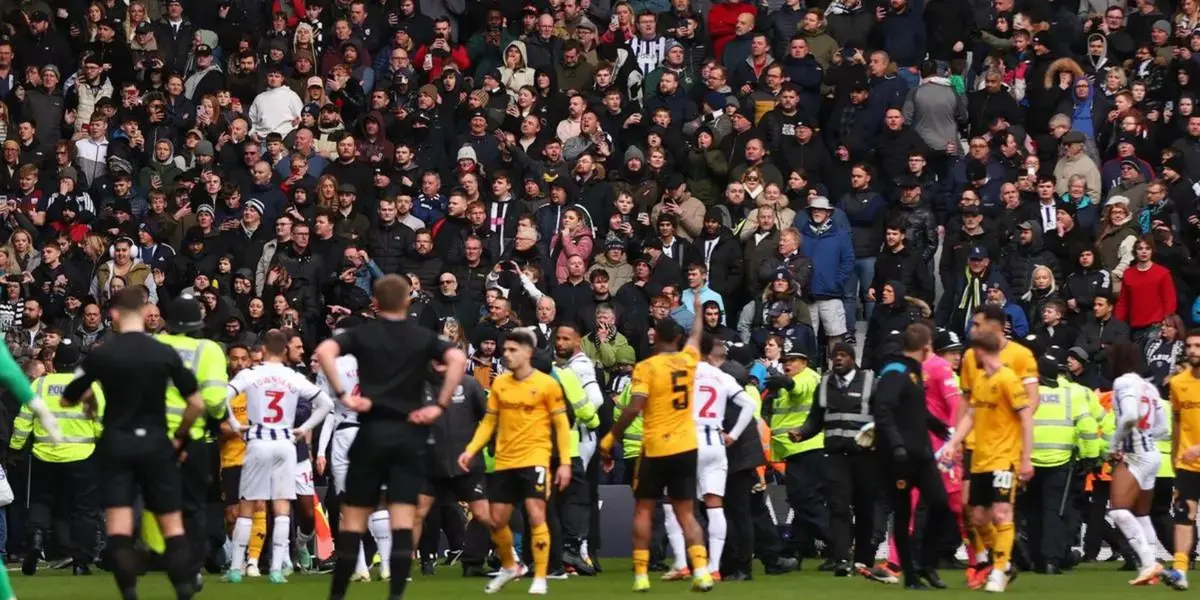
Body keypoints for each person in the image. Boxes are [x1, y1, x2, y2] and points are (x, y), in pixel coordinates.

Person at [315, 274, 468, 600]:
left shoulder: (364, 333)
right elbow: (458, 358)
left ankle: (337, 595)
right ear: (407, 301)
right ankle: (395, 595)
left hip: (371, 432)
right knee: (401, 520)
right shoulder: (421, 336)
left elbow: (325, 350)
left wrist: (343, 394)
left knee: (353, 519)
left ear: (375, 302)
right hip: (408, 435)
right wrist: (440, 404)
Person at [61, 287, 206, 600]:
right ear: (143, 313)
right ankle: (183, 592)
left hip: (117, 444)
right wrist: (180, 436)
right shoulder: (163, 351)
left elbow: (67, 397)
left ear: (113, 315)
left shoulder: (102, 354)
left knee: (119, 527)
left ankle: (129, 594)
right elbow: (196, 403)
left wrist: (88, 397)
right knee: (172, 527)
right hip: (156, 443)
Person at [600, 292, 714, 593]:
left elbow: (633, 408)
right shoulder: (688, 360)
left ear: (656, 337)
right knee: (686, 513)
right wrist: (698, 310)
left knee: (643, 511)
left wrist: (611, 437)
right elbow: (696, 336)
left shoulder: (646, 368)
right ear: (677, 338)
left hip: (655, 448)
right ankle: (701, 572)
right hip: (686, 446)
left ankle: (641, 575)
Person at [456, 328, 572, 595]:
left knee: (536, 514)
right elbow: (489, 422)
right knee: (496, 521)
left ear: (527, 353)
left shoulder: (547, 384)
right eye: (505, 350)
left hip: (535, 457)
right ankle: (510, 566)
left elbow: (562, 425)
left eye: (512, 350)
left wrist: (565, 462)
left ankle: (540, 576)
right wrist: (471, 450)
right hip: (505, 461)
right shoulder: (500, 384)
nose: (506, 354)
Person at [222, 329, 333, 584]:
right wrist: (304, 428)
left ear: (262, 350)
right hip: (285, 442)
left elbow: (222, 396)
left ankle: (236, 569)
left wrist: (235, 425)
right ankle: (276, 569)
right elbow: (326, 404)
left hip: (258, 440)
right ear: (284, 351)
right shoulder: (293, 376)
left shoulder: (251, 374)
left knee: (248, 503)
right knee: (282, 506)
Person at [787, 341, 891, 581]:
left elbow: (883, 416)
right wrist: (802, 432)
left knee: (864, 507)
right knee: (838, 507)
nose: (838, 359)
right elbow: (815, 420)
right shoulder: (824, 384)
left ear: (853, 359)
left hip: (865, 457)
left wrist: (877, 439)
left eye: (843, 355)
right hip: (835, 456)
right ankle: (842, 559)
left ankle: (863, 558)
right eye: (835, 355)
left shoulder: (870, 382)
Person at [944, 328, 1034, 593]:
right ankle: (1003, 563)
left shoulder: (1008, 379)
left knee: (1001, 512)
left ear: (980, 352)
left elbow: (1026, 419)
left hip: (1004, 458)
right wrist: (953, 442)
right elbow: (971, 416)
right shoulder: (982, 380)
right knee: (979, 517)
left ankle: (998, 570)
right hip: (981, 459)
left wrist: (1026, 459)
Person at [661, 332, 755, 582]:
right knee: (715, 505)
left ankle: (682, 564)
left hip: (686, 443)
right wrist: (733, 435)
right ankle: (713, 568)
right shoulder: (721, 375)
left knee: (672, 503)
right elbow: (749, 405)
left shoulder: (678, 374)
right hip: (715, 444)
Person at [10, 338, 103, 576]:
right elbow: (101, 421)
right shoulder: (89, 386)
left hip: (44, 455)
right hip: (81, 456)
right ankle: (81, 562)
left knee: (41, 502)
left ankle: (36, 540)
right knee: (84, 510)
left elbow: (24, 418)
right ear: (78, 361)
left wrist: (15, 446)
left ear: (55, 361)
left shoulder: (39, 384)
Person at [873, 322, 954, 590]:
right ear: (927, 346)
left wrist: (938, 427)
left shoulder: (912, 372)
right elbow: (883, 409)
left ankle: (926, 564)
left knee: (940, 504)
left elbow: (914, 410)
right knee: (903, 512)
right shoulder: (896, 371)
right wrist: (896, 445)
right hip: (901, 457)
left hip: (921, 452)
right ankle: (910, 575)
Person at [1107, 340, 1167, 586]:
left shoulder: (1123, 383)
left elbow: (1130, 415)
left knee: (1119, 510)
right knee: (1142, 514)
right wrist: (1144, 437)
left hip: (1136, 455)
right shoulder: (1149, 387)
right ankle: (1151, 566)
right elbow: (1162, 427)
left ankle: (1148, 563)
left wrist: (1115, 444)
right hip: (1153, 455)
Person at [1164, 329, 1200, 589]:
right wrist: (1175, 456)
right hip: (1187, 463)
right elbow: (1177, 422)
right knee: (1183, 514)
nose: (1193, 351)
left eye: (1198, 346)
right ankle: (1179, 570)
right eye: (1189, 346)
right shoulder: (1178, 383)